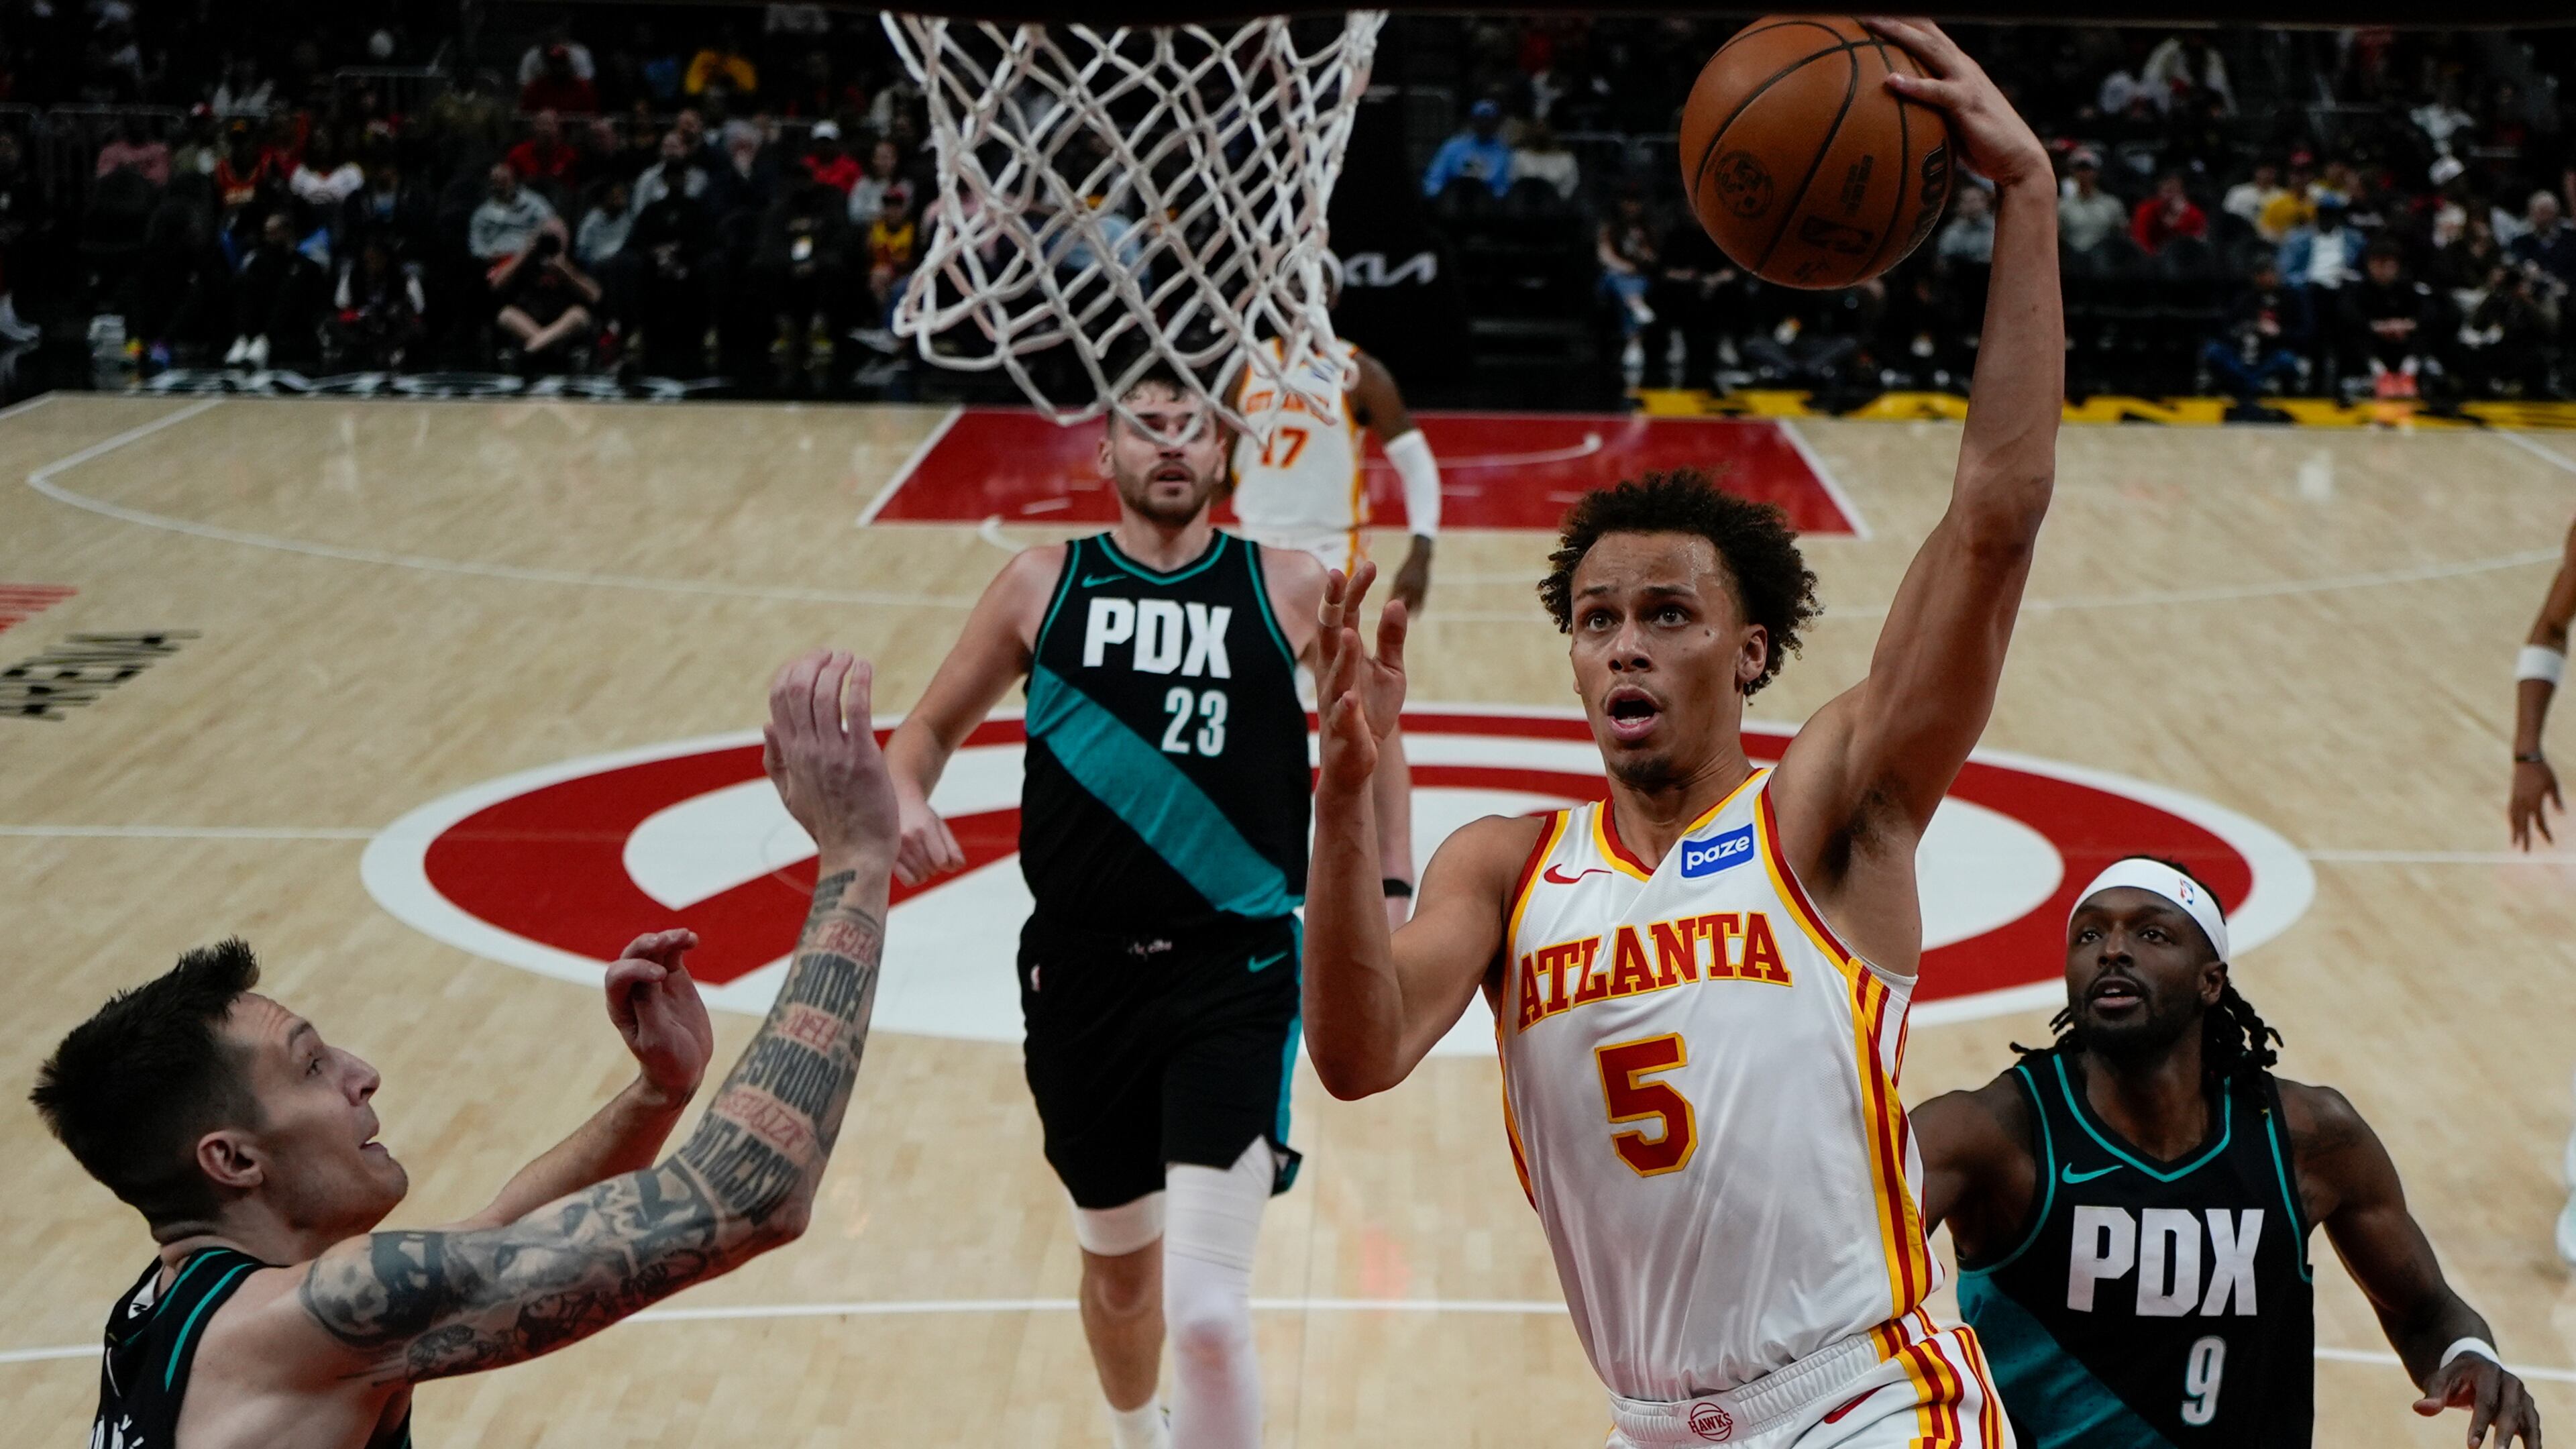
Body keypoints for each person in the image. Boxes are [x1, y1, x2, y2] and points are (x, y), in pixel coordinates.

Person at [1301, 20, 2054, 1447]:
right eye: (1595, 620)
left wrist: (2027, 198)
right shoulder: (1508, 867)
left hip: (1871, 1400)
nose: (1626, 642)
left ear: (1751, 650)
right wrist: (1341, 805)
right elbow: (1355, 1052)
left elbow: (1993, 524)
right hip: (1650, 1425)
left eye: (1667, 613)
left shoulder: (1828, 810)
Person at [31, 649, 898, 1449]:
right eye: (312, 1066)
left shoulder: (158, 1313)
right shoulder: (297, 1326)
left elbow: (493, 1236)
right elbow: (755, 1197)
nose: (363, 1073)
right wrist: (857, 858)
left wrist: (657, 1095)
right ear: (231, 1158)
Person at [884, 366, 1329, 1449]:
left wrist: (1390, 886)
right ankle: (1137, 1435)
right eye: (1147, 424)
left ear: (1226, 455)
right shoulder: (1044, 582)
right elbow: (924, 733)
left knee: (1210, 1311)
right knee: (1124, 1284)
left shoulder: (1289, 583)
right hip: (1079, 981)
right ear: (1105, 455)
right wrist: (898, 792)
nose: (1171, 443)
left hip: (1237, 972)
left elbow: (1382, 738)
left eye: (1192, 426)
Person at [1909, 859, 2541, 1448]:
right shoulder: (1989, 1134)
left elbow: (2426, 1311)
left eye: (2152, 935)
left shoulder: (2309, 1137)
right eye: (2089, 935)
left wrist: (2470, 1356)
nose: (2114, 950)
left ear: (2211, 981)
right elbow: (1831, 1288)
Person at [1229, 278, 1442, 922]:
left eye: (1311, 282)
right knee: (1249, 702)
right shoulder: (1245, 364)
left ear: (1334, 293)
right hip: (1251, 545)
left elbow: (1418, 465)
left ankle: (1394, 870)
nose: (1296, 293)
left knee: (1359, 707)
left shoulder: (1356, 370)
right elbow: (1223, 460)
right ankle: (1254, 846)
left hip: (1328, 552)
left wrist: (1423, 548)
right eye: (1286, 282)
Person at [2202, 255, 2307, 414]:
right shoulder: (2244, 300)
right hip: (2241, 357)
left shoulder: (2291, 299)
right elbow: (2226, 331)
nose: (2266, 278)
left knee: (2286, 359)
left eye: (2269, 273)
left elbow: (2304, 334)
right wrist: (2246, 329)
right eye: (2261, 274)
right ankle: (2254, 386)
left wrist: (2278, 333)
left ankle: (2248, 387)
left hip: (2271, 355)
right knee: (2213, 351)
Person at [1421, 98, 1513, 201]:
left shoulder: (1503, 151)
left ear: (1496, 123)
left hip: (1487, 206)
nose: (1484, 124)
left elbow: (1505, 186)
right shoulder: (1453, 146)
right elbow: (1434, 179)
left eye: (1488, 120)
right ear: (1472, 120)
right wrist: (1437, 196)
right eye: (1480, 119)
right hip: (1453, 202)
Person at [2059, 148, 2127, 256]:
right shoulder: (2061, 206)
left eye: (2088, 169)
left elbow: (2122, 236)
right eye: (2080, 169)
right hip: (2072, 259)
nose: (2084, 173)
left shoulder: (2112, 204)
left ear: (2097, 172)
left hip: (2103, 260)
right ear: (2073, 172)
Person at [2129, 172, 2206, 254]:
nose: (2171, 197)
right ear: (2159, 192)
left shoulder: (2192, 214)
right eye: (2168, 191)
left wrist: (2184, 216)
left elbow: (2196, 242)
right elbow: (2141, 243)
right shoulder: (2145, 210)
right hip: (2151, 260)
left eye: (2176, 191)